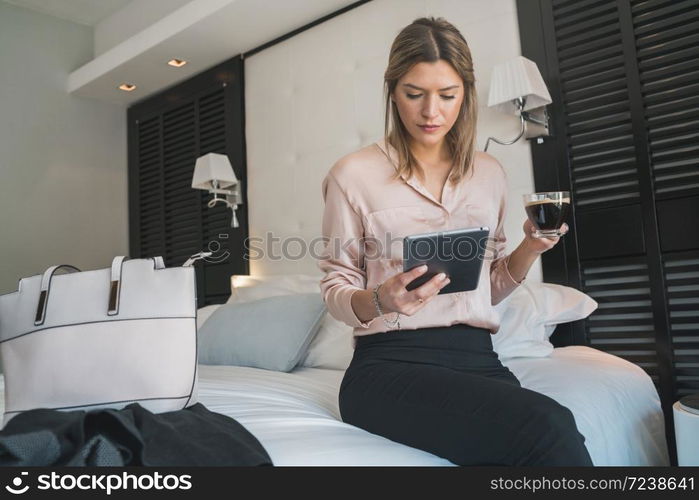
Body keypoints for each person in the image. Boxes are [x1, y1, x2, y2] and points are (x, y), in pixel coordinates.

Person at [316, 16, 592, 466]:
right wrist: (382, 301)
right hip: (388, 365)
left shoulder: (490, 174)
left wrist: (529, 250)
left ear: (466, 93)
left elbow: (491, 286)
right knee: (549, 424)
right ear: (392, 91)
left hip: (478, 361)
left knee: (537, 439)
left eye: (447, 95)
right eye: (414, 94)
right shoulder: (352, 175)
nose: (431, 112)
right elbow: (335, 289)